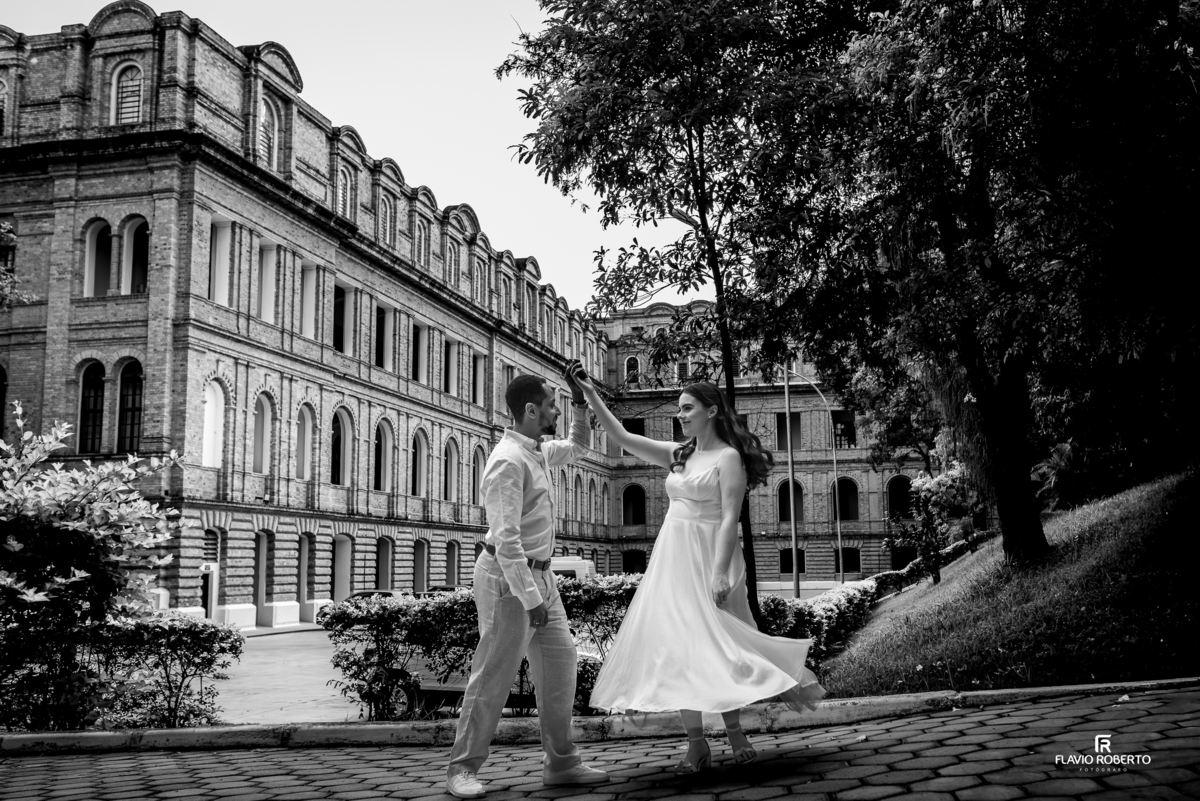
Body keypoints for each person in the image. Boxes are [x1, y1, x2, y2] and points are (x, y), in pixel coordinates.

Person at [578, 372, 825, 774]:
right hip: (673, 560)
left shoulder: (728, 458)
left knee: (722, 644)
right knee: (679, 648)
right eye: (679, 408)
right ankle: (696, 744)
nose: (680, 415)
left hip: (712, 557)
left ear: (712, 411)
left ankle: (733, 730)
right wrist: (591, 394)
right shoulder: (679, 454)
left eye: (687, 408)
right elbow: (622, 437)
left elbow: (730, 518)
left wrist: (718, 573)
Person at [445, 365, 609, 798]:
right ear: (533, 410)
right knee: (493, 675)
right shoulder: (507, 461)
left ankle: (561, 764)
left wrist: (577, 400)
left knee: (560, 665)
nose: (556, 410)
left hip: (540, 576)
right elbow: (507, 540)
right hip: (507, 579)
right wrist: (530, 596)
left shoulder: (536, 450)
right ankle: (462, 769)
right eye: (553, 404)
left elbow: (576, 446)